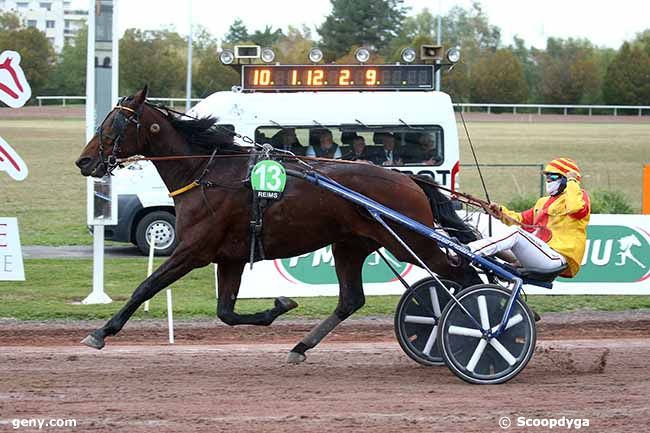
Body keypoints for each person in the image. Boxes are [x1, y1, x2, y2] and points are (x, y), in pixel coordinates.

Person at [467, 157, 590, 278]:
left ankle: (470, 250)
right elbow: (520, 220)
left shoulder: (579, 197)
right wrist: (500, 211)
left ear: (565, 180)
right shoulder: (543, 202)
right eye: (546, 176)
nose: (548, 180)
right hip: (541, 253)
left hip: (556, 259)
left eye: (552, 176)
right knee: (489, 233)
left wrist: (572, 181)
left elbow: (574, 207)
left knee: (516, 233)